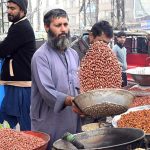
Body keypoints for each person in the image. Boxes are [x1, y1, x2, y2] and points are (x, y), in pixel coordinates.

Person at [30, 9, 82, 149]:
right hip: (49, 121)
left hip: (72, 118)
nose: (63, 29)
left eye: (65, 24)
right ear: (47, 27)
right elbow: (47, 92)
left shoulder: (73, 55)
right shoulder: (40, 56)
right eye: (58, 25)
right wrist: (73, 101)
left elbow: (77, 85)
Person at [0, 0, 36, 130]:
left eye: (12, 8)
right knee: (6, 118)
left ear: (22, 10)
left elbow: (3, 50)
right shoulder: (17, 25)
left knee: (24, 122)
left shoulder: (21, 27)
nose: (8, 11)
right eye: (8, 7)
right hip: (16, 83)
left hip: (20, 84)